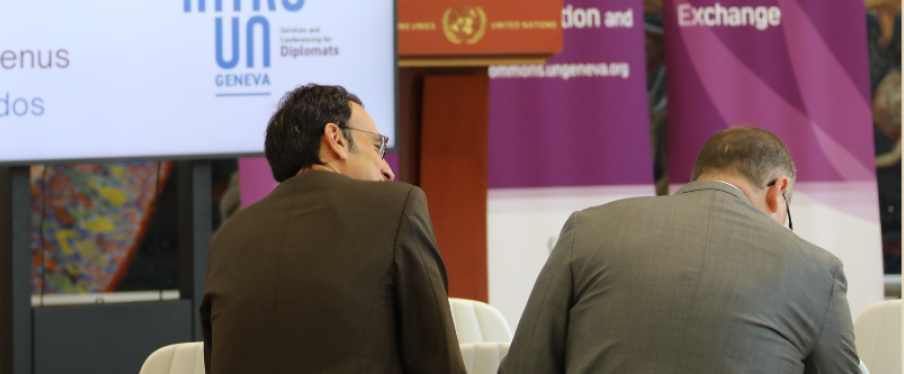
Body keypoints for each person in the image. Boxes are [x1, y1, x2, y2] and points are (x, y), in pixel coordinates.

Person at [501, 126, 861, 374]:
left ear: (700, 176)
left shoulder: (588, 229)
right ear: (777, 190)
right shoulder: (818, 269)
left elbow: (525, 366)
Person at [200, 84, 466, 374]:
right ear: (336, 139)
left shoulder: (226, 239)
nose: (387, 170)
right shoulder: (396, 208)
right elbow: (439, 361)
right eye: (377, 147)